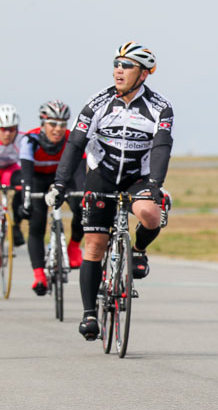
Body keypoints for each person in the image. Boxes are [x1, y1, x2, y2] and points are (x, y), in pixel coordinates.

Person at [46, 41, 173, 340]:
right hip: (101, 176)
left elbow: (162, 146)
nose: (119, 69)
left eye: (127, 65)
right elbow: (75, 143)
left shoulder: (160, 107)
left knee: (152, 215)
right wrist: (61, 182)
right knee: (94, 245)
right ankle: (90, 314)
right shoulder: (97, 102)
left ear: (143, 74)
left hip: (137, 178)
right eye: (117, 63)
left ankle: (138, 251)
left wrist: (155, 184)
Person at [18, 101, 86, 295]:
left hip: (64, 177)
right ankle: (39, 275)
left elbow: (80, 172)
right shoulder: (30, 140)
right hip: (38, 178)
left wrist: (83, 194)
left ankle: (73, 247)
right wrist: (26, 198)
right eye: (53, 124)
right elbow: (26, 173)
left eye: (63, 125)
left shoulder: (72, 139)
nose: (58, 129)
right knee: (37, 223)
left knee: (83, 208)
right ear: (43, 123)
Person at [0, 104, 24, 246]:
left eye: (12, 129)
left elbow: (25, 165)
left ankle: (16, 225)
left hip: (10, 170)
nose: (8, 134)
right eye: (3, 129)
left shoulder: (21, 140)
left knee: (24, 183)